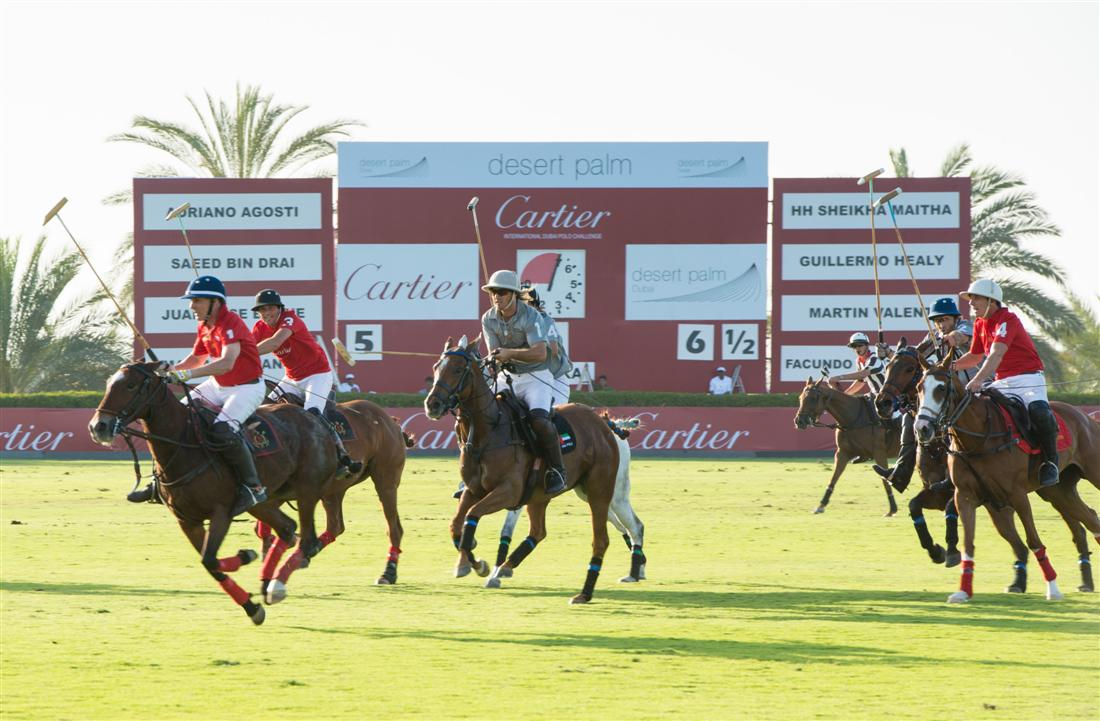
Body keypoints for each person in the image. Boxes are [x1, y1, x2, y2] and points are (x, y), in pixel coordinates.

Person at [130, 275, 267, 514]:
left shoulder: (230, 323)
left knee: (223, 431)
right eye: (192, 301)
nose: (191, 306)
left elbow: (226, 363)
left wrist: (186, 376)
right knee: (174, 418)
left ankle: (254, 488)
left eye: (197, 300)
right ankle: (158, 483)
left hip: (246, 388)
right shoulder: (204, 325)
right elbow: (196, 358)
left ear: (216, 302)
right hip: (218, 386)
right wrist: (171, 370)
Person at [951, 279, 1060, 487]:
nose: (971, 303)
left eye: (976, 298)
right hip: (1001, 381)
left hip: (1028, 378)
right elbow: (974, 356)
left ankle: (1051, 462)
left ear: (991, 301)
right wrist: (949, 367)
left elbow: (996, 354)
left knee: (1038, 411)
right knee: (966, 409)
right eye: (970, 298)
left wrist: (978, 379)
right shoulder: (980, 323)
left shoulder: (1008, 320)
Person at [251, 289, 361, 477]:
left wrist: (243, 354)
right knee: (264, 409)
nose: (266, 313)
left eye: (270, 308)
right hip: (292, 378)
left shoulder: (290, 319)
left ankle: (341, 456)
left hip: (317, 375)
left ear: (279, 308)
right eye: (262, 310)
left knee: (312, 414)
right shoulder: (260, 327)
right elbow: (247, 345)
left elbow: (275, 343)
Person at [873, 297, 975, 492]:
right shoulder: (933, 336)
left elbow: (960, 336)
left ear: (955, 318)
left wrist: (950, 338)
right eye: (937, 321)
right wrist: (890, 354)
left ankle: (958, 473)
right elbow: (913, 357)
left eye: (945, 319)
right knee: (912, 416)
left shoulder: (965, 327)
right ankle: (900, 472)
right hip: (948, 392)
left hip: (976, 386)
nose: (941, 325)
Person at [481, 269, 567, 495]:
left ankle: (557, 470)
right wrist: (492, 361)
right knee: (481, 415)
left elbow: (540, 353)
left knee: (539, 421)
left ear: (513, 294)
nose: (496, 297)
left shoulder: (532, 316)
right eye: (493, 292)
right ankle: (473, 472)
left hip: (536, 377)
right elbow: (494, 353)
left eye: (501, 292)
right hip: (507, 377)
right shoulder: (488, 318)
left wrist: (509, 353)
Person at [827, 332, 892, 396]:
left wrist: (838, 378)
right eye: (854, 346)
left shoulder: (874, 358)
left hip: (888, 396)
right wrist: (844, 395)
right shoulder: (858, 361)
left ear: (867, 346)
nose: (857, 348)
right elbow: (860, 382)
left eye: (860, 345)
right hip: (875, 396)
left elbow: (863, 374)